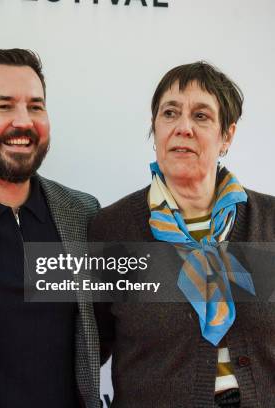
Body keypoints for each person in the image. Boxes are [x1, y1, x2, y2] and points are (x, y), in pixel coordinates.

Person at [90, 62, 275, 407]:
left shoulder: (270, 222)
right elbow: (88, 348)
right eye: (170, 113)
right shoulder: (110, 230)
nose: (183, 128)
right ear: (155, 128)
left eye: (201, 116)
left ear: (227, 135)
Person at [0, 49, 101, 408]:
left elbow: (115, 331)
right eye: (4, 106)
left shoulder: (83, 214)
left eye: (35, 106)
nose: (23, 121)